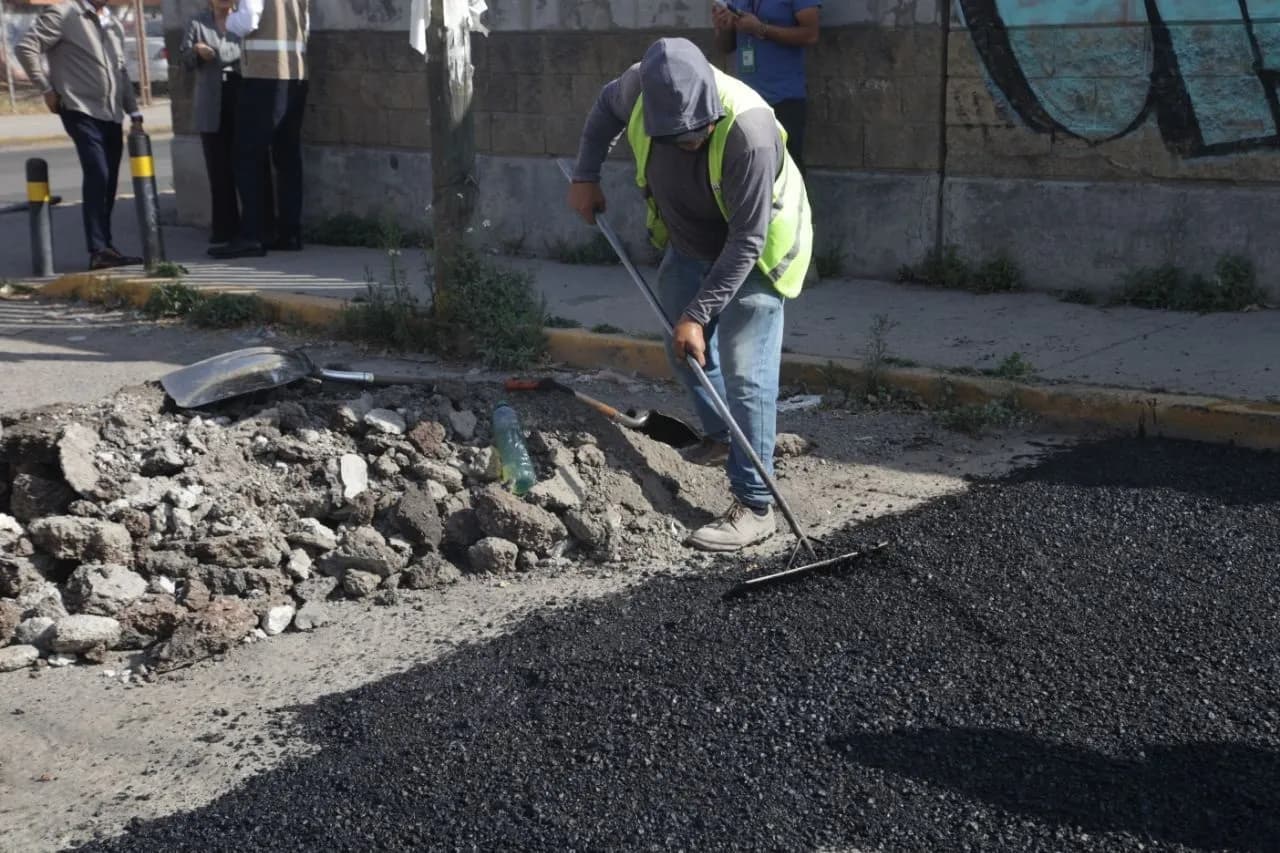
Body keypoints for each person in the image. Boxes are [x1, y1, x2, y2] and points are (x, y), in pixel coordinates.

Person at [567, 37, 813, 553]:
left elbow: (747, 239)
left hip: (757, 253)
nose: (692, 142)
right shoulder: (637, 87)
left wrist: (698, 314)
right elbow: (602, 114)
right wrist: (586, 175)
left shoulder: (751, 130)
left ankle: (756, 506)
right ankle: (725, 438)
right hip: (689, 242)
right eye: (678, 138)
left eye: (699, 132)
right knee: (681, 350)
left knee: (747, 374)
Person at [16, 0, 145, 270]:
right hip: (79, 108)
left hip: (111, 113)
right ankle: (98, 248)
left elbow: (120, 71)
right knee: (97, 171)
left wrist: (134, 114)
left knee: (108, 178)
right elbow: (26, 46)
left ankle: (106, 248)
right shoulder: (64, 12)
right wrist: (46, 88)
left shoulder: (112, 23)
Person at [209, 0, 308, 259]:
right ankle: (290, 233)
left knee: (246, 155)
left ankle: (251, 235)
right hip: (296, 74)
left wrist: (223, 19)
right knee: (287, 157)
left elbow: (249, 20)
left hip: (265, 75)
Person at [181, 0, 275, 248]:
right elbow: (185, 59)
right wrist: (196, 52)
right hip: (211, 102)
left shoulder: (244, 20)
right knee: (218, 168)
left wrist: (221, 55)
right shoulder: (197, 22)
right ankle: (224, 228)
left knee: (250, 165)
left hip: (241, 96)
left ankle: (257, 226)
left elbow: (250, 53)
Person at [712, 0, 821, 175]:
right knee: (750, 170)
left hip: (785, 98)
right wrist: (724, 28)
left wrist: (761, 29)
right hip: (745, 101)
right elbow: (725, 47)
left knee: (788, 169)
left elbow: (810, 34)